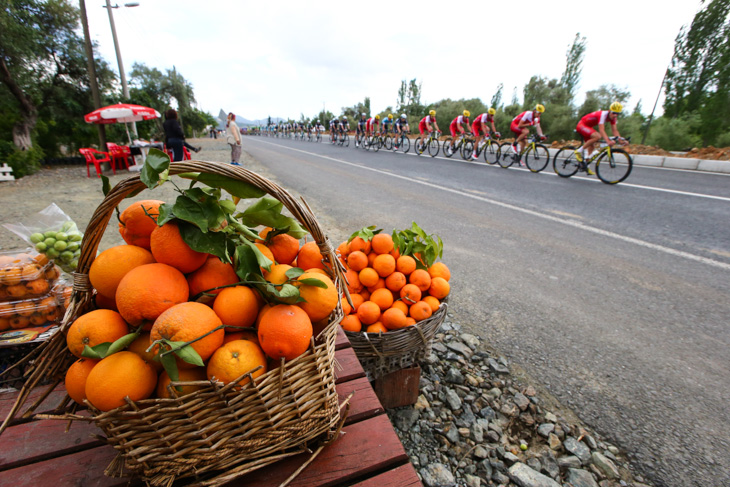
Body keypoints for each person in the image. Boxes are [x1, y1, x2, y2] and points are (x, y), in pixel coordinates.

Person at [574, 102, 627, 175]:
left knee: (592, 146)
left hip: (588, 127)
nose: (615, 115)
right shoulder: (603, 115)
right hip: (582, 125)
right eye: (613, 113)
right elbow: (601, 130)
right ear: (609, 111)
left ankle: (586, 166)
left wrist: (621, 140)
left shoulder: (614, 118)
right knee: (597, 136)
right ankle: (578, 151)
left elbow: (615, 130)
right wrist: (608, 141)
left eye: (617, 113)